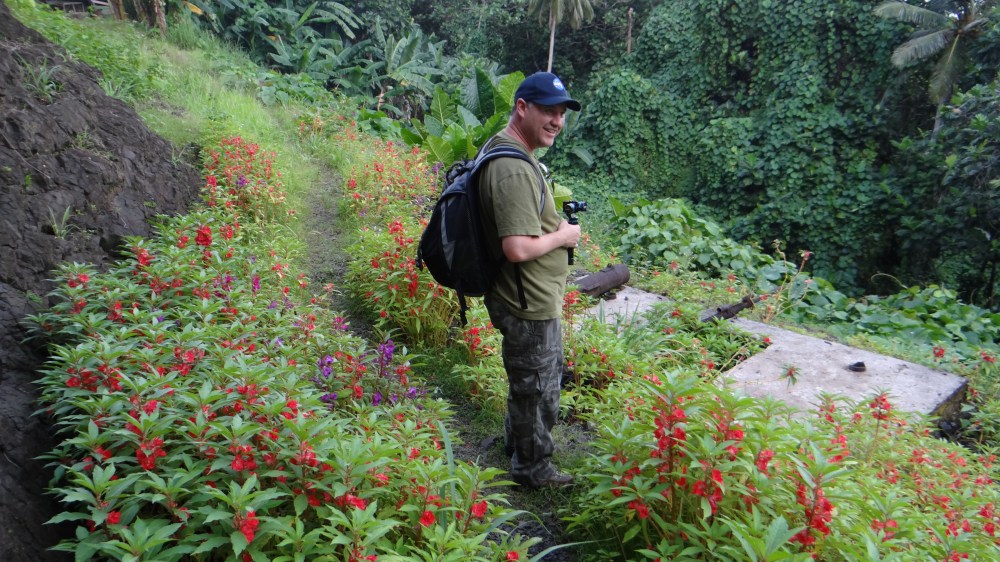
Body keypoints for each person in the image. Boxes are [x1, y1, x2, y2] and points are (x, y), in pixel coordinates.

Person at [477, 72, 582, 488]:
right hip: (526, 301)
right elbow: (517, 248)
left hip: (526, 295)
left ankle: (515, 444)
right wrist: (564, 235)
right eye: (548, 111)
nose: (556, 120)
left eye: (561, 113)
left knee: (530, 381)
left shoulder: (508, 151)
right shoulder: (513, 169)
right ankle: (532, 469)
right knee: (539, 390)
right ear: (522, 108)